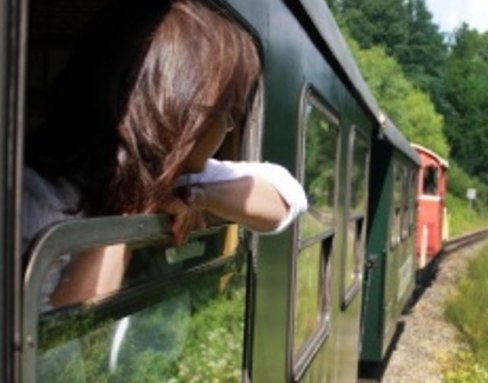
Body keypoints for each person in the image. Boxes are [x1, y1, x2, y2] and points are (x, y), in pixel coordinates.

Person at [22, 0, 307, 311]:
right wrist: (132, 213)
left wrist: (199, 196)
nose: (227, 127)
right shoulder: (36, 198)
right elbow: (69, 330)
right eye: (226, 113)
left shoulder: (168, 174)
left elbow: (287, 196)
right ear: (178, 109)